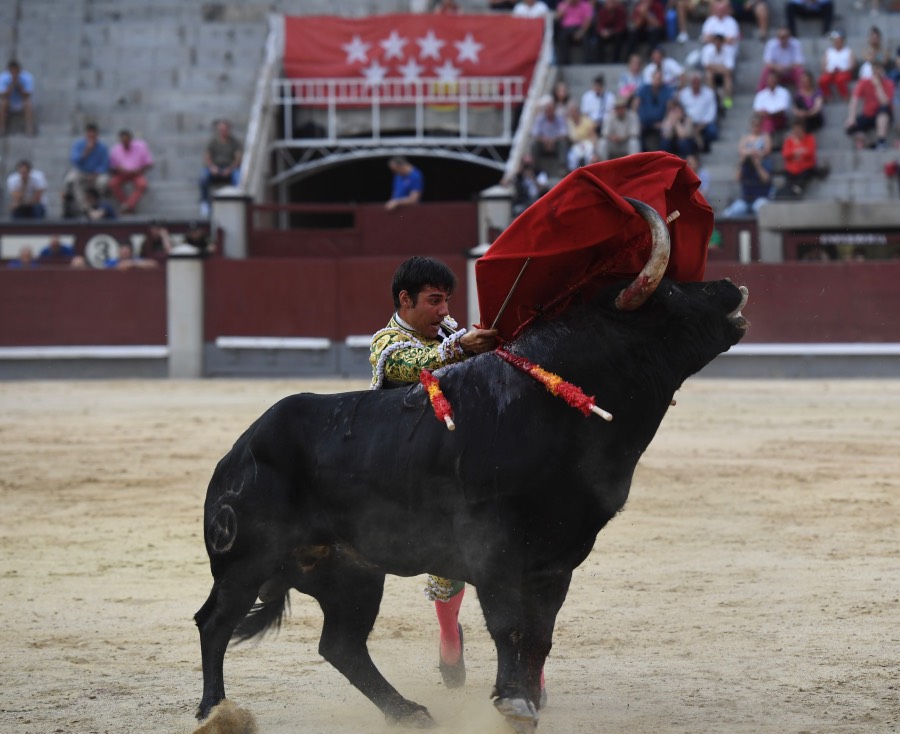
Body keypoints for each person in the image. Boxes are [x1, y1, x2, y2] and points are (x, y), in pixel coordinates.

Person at [369, 256, 499, 690]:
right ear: (405, 300)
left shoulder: (447, 329)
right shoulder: (385, 340)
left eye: (447, 301)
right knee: (446, 554)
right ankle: (448, 635)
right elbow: (413, 366)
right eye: (434, 301)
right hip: (415, 468)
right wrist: (465, 347)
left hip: (465, 453)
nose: (444, 311)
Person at [844, 61, 895, 150]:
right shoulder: (864, 82)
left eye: (879, 70)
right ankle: (870, 144)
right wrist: (851, 117)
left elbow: (885, 102)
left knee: (883, 109)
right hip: (868, 114)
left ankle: (881, 141)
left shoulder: (889, 83)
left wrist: (878, 86)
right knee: (849, 128)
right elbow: (854, 100)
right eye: (874, 70)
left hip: (884, 114)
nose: (877, 73)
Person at [63, 123, 110, 219]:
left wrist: (96, 173)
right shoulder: (78, 145)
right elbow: (75, 161)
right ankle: (85, 208)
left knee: (103, 181)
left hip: (96, 174)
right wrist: (86, 151)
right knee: (72, 180)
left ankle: (99, 206)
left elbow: (105, 165)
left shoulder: (102, 147)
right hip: (81, 172)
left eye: (94, 135)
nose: (91, 137)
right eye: (90, 135)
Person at [200, 119, 243, 217]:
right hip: (215, 168)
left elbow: (238, 158)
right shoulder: (213, 142)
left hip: (230, 169)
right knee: (203, 177)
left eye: (224, 129)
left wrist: (230, 169)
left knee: (238, 177)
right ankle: (205, 203)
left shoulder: (234, 142)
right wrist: (212, 167)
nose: (222, 131)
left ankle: (237, 202)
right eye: (220, 129)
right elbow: (207, 157)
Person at [778, 119, 829, 198]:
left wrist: (795, 153)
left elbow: (810, 152)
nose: (797, 131)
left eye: (799, 129)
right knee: (788, 175)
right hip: (792, 169)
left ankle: (797, 189)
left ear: (803, 129)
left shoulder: (809, 138)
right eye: (795, 129)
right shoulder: (789, 140)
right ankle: (794, 190)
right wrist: (798, 152)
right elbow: (785, 154)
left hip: (805, 168)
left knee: (808, 172)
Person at [108, 129, 153, 214]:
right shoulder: (115, 149)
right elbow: (112, 168)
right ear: (120, 140)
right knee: (112, 184)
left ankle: (128, 206)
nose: (125, 143)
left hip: (137, 173)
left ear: (131, 139)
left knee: (142, 184)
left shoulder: (141, 146)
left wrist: (139, 169)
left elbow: (149, 164)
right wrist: (118, 169)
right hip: (122, 174)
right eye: (123, 141)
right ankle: (128, 205)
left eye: (127, 140)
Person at [721, 149, 773, 217]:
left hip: (761, 198)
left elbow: (766, 179)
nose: (752, 158)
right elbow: (736, 179)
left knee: (759, 208)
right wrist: (741, 163)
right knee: (728, 213)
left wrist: (757, 165)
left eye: (754, 156)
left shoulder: (765, 163)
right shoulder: (745, 166)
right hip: (745, 200)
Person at [678, 71, 719, 152]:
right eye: (694, 82)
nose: (695, 84)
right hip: (688, 122)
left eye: (697, 82)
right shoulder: (683, 94)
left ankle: (704, 146)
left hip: (704, 123)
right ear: (690, 82)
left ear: (701, 82)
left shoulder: (709, 93)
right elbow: (680, 109)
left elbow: (712, 112)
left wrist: (702, 124)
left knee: (712, 132)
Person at [636, 69, 675, 151]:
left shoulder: (666, 90)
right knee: (636, 131)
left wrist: (665, 121)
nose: (657, 80)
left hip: (660, 122)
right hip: (644, 122)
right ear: (652, 78)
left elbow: (670, 107)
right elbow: (635, 105)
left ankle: (664, 157)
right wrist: (637, 120)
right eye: (656, 78)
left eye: (659, 78)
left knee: (667, 131)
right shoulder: (644, 89)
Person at [759, 28, 805, 92]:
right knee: (766, 70)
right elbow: (767, 62)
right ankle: (761, 93)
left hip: (790, 71)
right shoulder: (771, 44)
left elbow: (799, 62)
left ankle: (802, 94)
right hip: (776, 72)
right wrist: (777, 67)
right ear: (777, 37)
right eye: (781, 37)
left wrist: (786, 68)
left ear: (789, 37)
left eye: (786, 37)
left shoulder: (796, 44)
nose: (784, 39)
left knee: (799, 71)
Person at [530, 95, 568, 172]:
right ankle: (534, 167)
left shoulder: (559, 118)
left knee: (563, 143)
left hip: (555, 143)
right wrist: (544, 139)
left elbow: (564, 133)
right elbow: (534, 134)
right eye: (547, 110)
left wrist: (553, 140)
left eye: (551, 110)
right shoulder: (540, 119)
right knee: (534, 144)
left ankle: (562, 167)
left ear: (554, 110)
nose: (549, 112)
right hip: (543, 143)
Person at [597, 95, 641, 160]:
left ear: (625, 107)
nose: (620, 109)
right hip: (613, 144)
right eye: (618, 107)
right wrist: (613, 137)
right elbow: (604, 133)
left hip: (626, 143)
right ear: (615, 108)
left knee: (634, 142)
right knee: (603, 142)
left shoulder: (633, 115)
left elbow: (635, 133)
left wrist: (622, 137)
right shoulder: (609, 116)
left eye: (622, 107)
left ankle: (634, 166)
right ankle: (603, 166)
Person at [0, 60, 35, 136]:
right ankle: (1, 129)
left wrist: (19, 85)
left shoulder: (27, 77)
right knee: (2, 103)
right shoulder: (3, 77)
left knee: (28, 103)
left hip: (21, 102)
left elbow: (27, 95)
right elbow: (2, 95)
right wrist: (12, 85)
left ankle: (29, 129)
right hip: (9, 102)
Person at [818, 30, 855, 102]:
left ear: (843, 40)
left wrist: (844, 70)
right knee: (822, 80)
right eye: (836, 40)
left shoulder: (848, 51)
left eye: (839, 40)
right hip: (830, 73)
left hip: (844, 73)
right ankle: (828, 97)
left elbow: (852, 65)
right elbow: (823, 65)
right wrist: (827, 70)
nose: (837, 42)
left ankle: (846, 97)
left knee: (840, 80)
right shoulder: (828, 51)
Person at [752, 70, 792, 136]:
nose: (772, 81)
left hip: (779, 118)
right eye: (770, 79)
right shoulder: (761, 94)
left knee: (768, 122)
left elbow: (783, 110)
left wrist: (770, 114)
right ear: (766, 80)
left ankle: (766, 143)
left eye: (773, 79)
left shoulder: (784, 93)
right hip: (763, 118)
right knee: (761, 121)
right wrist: (766, 114)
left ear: (777, 80)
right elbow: (756, 110)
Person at [554, 0, 594, 65]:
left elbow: (588, 21)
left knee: (586, 39)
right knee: (562, 38)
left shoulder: (586, 5)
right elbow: (557, 17)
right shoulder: (563, 4)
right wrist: (566, 5)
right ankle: (564, 63)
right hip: (566, 29)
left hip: (580, 28)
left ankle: (587, 62)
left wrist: (581, 32)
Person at [701, 34, 735, 110]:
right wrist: (721, 67)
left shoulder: (728, 51)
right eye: (716, 42)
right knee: (709, 75)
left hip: (723, 75)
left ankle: (727, 101)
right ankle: (712, 100)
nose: (718, 44)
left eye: (719, 42)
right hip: (713, 74)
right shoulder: (708, 50)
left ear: (723, 43)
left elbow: (729, 70)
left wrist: (714, 67)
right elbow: (706, 66)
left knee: (728, 78)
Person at [565, 102, 597, 170]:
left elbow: (593, 135)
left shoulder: (586, 120)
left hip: (588, 143)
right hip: (575, 145)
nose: (572, 113)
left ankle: (588, 172)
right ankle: (573, 175)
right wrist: (578, 143)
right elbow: (570, 137)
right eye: (570, 111)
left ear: (577, 111)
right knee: (572, 157)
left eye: (573, 111)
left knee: (590, 155)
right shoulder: (568, 122)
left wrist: (592, 146)